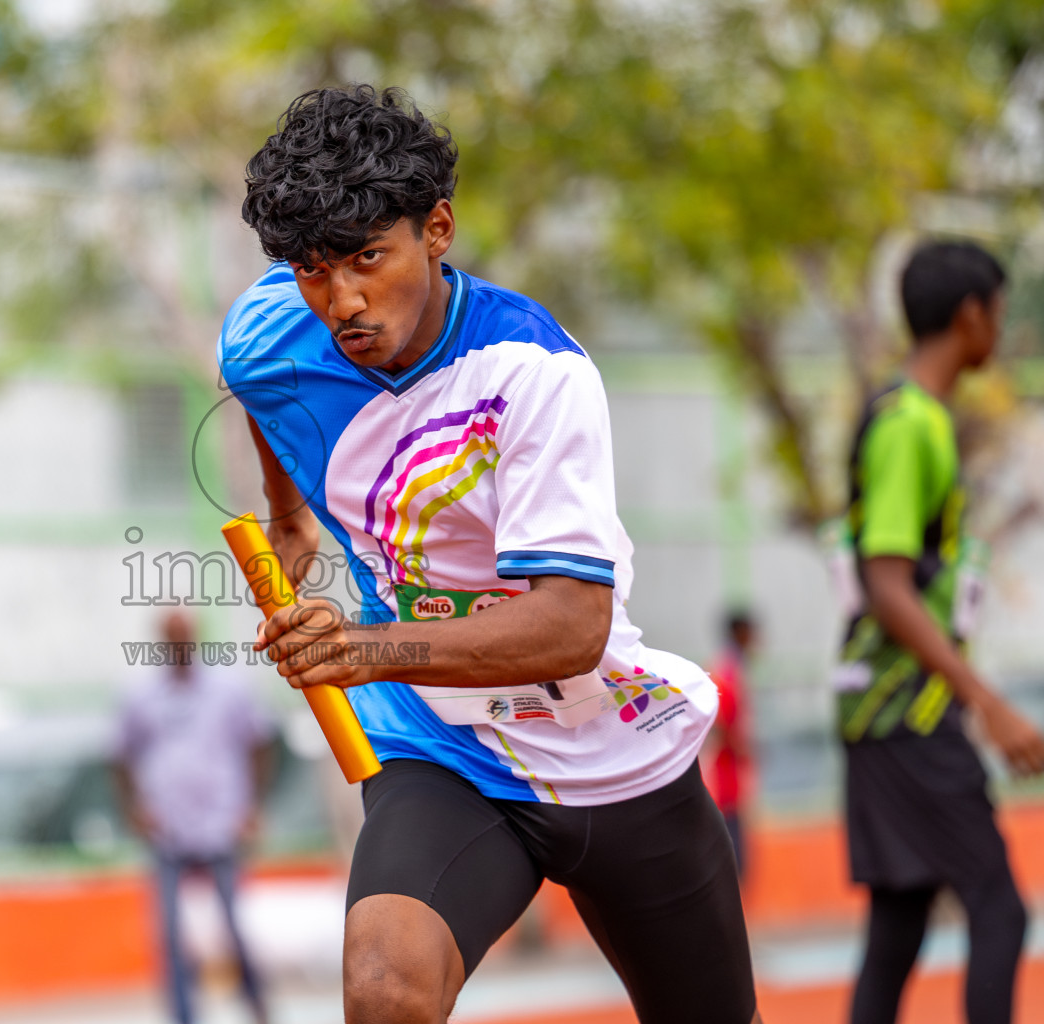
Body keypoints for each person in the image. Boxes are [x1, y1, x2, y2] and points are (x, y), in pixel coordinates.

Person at [225, 86, 759, 1024]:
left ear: (438, 229)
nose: (341, 299)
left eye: (366, 259)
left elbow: (571, 625)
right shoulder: (273, 332)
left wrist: (362, 649)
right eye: (313, 271)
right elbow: (260, 387)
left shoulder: (533, 374)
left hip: (607, 753)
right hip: (445, 747)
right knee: (385, 991)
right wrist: (289, 514)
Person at [837, 240, 1043, 1024]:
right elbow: (886, 584)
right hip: (905, 713)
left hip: (890, 711)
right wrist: (986, 702)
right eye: (999, 309)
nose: (1001, 325)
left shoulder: (920, 419)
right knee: (999, 908)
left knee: (900, 922)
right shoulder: (909, 425)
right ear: (970, 314)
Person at [113, 610, 276, 1024]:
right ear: (161, 641)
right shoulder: (140, 694)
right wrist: (135, 808)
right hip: (167, 825)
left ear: (196, 637)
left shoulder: (229, 689)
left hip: (222, 820)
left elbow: (258, 743)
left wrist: (253, 806)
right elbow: (119, 755)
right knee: (170, 935)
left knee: (235, 929)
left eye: (184, 636)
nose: (179, 645)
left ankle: (258, 1009)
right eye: (171, 638)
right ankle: (184, 1017)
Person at [706, 609, 758, 878]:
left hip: (731, 775)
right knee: (732, 851)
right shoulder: (727, 670)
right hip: (724, 775)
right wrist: (741, 747)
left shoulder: (732, 666)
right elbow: (722, 720)